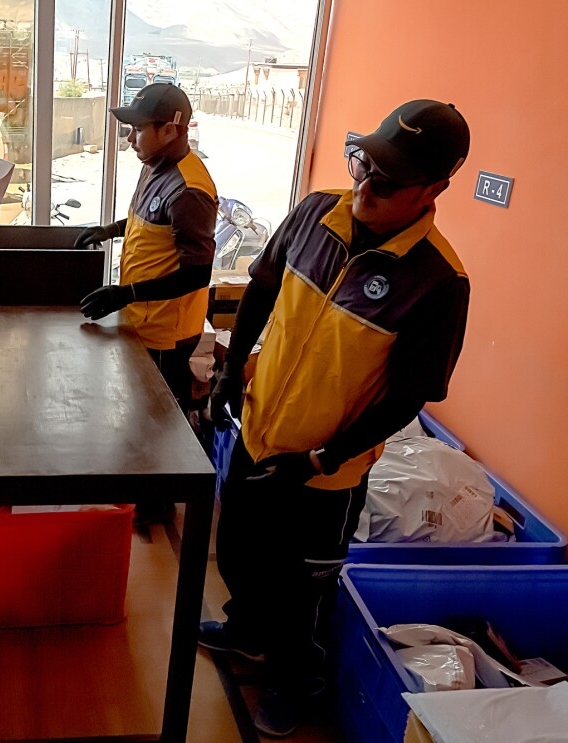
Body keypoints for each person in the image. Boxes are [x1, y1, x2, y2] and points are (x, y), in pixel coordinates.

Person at [200, 99, 471, 737]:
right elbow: (262, 286)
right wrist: (229, 373)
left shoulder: (439, 281)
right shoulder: (318, 211)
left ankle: (296, 683)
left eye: (387, 180)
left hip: (325, 474)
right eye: (363, 165)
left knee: (303, 596)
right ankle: (246, 636)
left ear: (435, 189)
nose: (364, 187)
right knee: (238, 552)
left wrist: (324, 457)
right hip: (260, 433)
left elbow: (409, 398)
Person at [75, 83, 218, 527]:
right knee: (138, 413)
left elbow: (198, 274)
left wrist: (126, 294)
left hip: (166, 330)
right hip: (142, 320)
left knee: (157, 420)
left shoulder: (191, 190)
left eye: (138, 129)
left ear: (171, 128)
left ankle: (156, 505)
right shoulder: (153, 164)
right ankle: (141, 489)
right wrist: (109, 230)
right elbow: (147, 222)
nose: (131, 138)